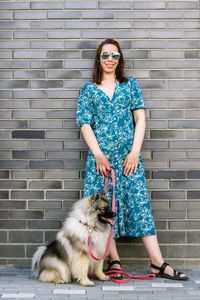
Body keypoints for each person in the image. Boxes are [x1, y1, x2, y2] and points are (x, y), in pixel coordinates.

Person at [76, 39, 188, 280]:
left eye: (114, 55)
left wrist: (135, 151)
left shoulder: (130, 86)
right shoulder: (89, 90)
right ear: (99, 58)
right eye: (105, 55)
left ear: (120, 60)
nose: (109, 59)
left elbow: (141, 120)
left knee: (140, 207)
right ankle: (113, 260)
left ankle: (157, 263)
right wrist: (97, 153)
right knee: (102, 211)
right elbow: (85, 123)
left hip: (129, 161)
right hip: (101, 162)